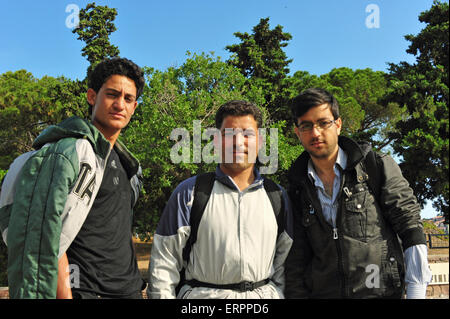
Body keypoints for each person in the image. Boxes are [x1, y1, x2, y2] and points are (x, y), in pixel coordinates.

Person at [0, 57, 146, 299]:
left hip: (128, 291)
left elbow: (118, 231)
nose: (120, 104)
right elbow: (47, 233)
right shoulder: (71, 153)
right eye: (112, 94)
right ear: (92, 96)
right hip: (84, 292)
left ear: (134, 107)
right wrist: (65, 294)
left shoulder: (127, 164)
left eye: (128, 99)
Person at [285, 88, 432, 299]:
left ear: (338, 124)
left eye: (323, 123)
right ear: (297, 132)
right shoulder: (297, 187)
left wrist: (416, 293)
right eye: (306, 126)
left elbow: (410, 227)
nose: (315, 133)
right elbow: (296, 261)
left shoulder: (376, 166)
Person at [147, 100, 293, 299]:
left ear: (260, 141)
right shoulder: (190, 192)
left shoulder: (277, 196)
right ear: (216, 141)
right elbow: (163, 264)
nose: (238, 142)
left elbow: (285, 265)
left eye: (247, 134)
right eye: (229, 134)